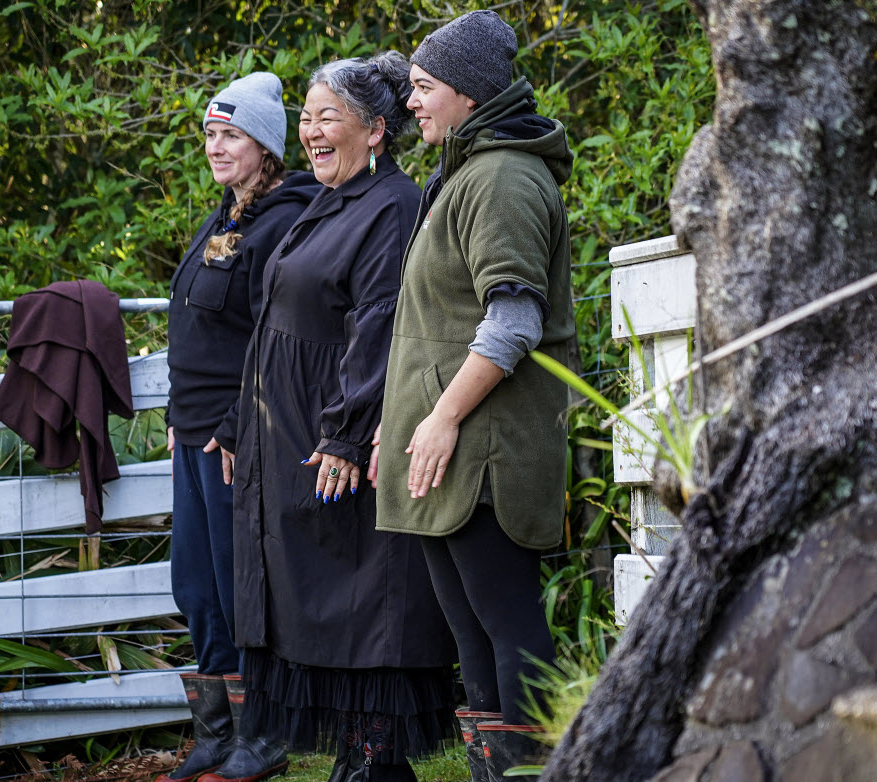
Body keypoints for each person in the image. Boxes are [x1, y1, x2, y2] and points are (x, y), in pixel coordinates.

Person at [204, 53, 457, 782]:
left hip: (341, 437)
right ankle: (356, 761)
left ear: (374, 130)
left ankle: (376, 764)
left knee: (362, 607)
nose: (311, 131)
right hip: (288, 431)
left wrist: (345, 433)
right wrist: (238, 419)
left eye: (327, 117)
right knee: (318, 605)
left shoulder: (391, 205)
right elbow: (277, 320)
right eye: (306, 118)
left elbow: (379, 323)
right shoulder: (328, 199)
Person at [371, 9, 576, 778]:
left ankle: (537, 770)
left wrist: (442, 418)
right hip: (448, 451)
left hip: (485, 450)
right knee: (474, 635)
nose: (411, 102)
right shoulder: (464, 173)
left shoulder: (502, 178)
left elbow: (514, 320)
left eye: (423, 86)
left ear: (468, 92)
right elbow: (437, 323)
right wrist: (400, 424)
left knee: (508, 626)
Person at [158, 71, 320, 782]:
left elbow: (268, 338)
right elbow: (197, 326)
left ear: (265, 145)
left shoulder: (279, 220)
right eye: (209, 134)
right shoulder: (224, 215)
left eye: (231, 135)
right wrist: (179, 416)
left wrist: (231, 424)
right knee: (196, 588)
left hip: (237, 436)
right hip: (192, 433)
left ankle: (264, 736)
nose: (216, 147)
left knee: (240, 588)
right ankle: (216, 737)